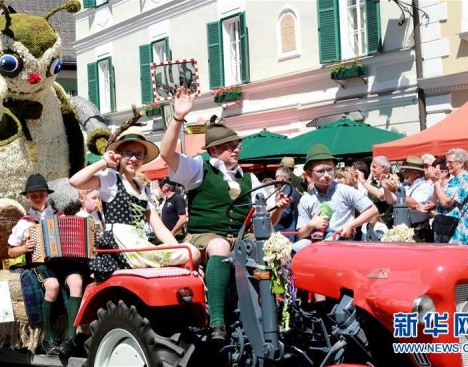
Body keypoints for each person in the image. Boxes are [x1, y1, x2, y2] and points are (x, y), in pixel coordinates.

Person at [160, 88, 290, 341]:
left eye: (236, 145)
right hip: (205, 236)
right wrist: (177, 118)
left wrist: (279, 208)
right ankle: (217, 320)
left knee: (276, 245)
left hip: (242, 238)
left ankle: (279, 311)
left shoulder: (249, 178)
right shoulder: (200, 169)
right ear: (214, 151)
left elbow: (266, 222)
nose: (235, 149)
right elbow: (166, 154)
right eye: (228, 146)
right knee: (219, 245)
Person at [69, 128, 200, 276]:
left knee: (190, 251)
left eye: (138, 155)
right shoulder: (111, 179)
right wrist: (104, 162)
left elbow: (160, 228)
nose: (133, 159)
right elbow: (75, 181)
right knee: (192, 251)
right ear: (119, 155)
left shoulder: (142, 189)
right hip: (122, 247)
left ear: (143, 158)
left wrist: (177, 249)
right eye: (128, 153)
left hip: (140, 244)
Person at [7, 174, 85, 356]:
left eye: (40, 194)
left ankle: (70, 337)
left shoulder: (60, 216)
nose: (37, 197)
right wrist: (25, 247)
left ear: (47, 195)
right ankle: (48, 337)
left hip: (63, 262)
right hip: (40, 264)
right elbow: (10, 252)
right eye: (33, 195)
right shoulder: (24, 223)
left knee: (77, 282)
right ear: (27, 197)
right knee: (53, 285)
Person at [293, 144, 378, 251]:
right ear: (309, 174)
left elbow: (373, 209)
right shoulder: (306, 199)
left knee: (327, 245)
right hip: (315, 242)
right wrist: (311, 225)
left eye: (330, 170)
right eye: (320, 171)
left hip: (341, 243)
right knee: (292, 250)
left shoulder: (344, 190)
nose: (327, 175)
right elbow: (301, 234)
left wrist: (351, 226)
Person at [428, 148, 468, 246]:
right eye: (447, 162)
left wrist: (437, 183)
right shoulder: (454, 180)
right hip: (447, 232)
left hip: (460, 235)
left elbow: (446, 203)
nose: (447, 165)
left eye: (450, 162)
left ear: (461, 163)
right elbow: (442, 201)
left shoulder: (465, 180)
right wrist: (431, 207)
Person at [384, 156, 434, 242]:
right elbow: (390, 201)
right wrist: (385, 187)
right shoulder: (403, 185)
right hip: (401, 228)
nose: (404, 173)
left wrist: (396, 190)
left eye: (408, 170)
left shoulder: (425, 186)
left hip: (418, 231)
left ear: (417, 173)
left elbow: (415, 204)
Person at [358, 156, 394, 228]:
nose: (371, 169)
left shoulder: (392, 181)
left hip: (384, 225)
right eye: (371, 167)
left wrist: (363, 181)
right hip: (370, 223)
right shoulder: (373, 181)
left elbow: (380, 195)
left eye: (374, 167)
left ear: (383, 168)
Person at [273, 167, 300, 242]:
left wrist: (271, 214)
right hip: (285, 232)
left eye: (276, 177)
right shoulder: (288, 189)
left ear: (282, 178)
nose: (275, 180)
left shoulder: (288, 191)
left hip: (285, 234)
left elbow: (284, 214)